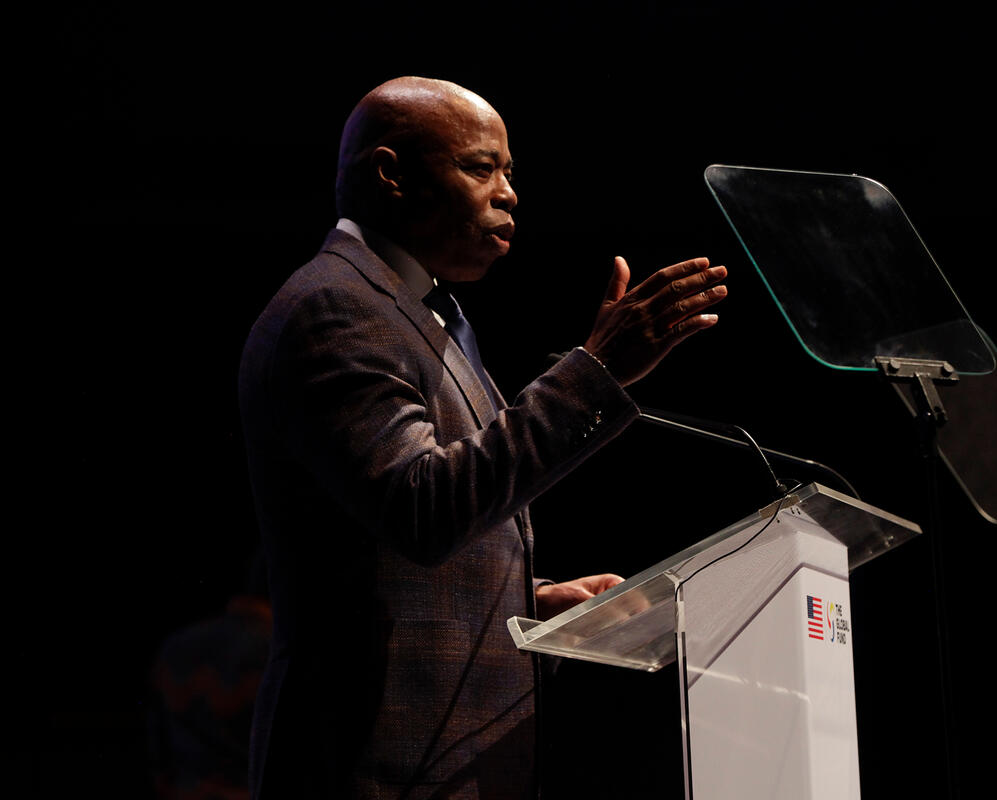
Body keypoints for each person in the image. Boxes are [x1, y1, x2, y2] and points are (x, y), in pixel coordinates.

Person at [238, 76, 727, 799]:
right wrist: (594, 372)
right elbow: (425, 508)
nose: (509, 192)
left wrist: (525, 606)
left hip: (444, 761)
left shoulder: (415, 311)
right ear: (390, 175)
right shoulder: (334, 309)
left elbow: (388, 555)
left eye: (510, 171)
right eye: (480, 167)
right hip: (373, 763)